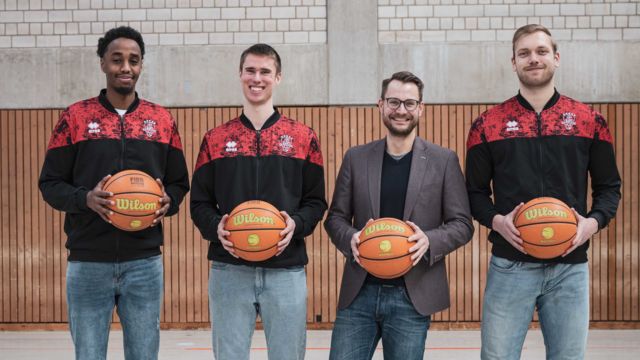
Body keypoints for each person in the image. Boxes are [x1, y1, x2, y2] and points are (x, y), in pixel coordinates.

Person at [465, 24, 621, 360]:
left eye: (541, 51)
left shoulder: (589, 120)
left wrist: (589, 225)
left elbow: (610, 190)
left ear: (556, 58)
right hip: (510, 265)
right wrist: (497, 221)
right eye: (524, 53)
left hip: (570, 267)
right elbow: (474, 193)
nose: (533, 59)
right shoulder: (487, 124)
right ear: (513, 62)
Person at [38, 26, 190, 360]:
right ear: (103, 63)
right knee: (89, 354)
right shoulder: (75, 118)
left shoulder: (161, 120)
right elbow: (49, 184)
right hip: (88, 260)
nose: (126, 67)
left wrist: (169, 202)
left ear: (141, 65)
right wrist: (85, 199)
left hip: (144, 262)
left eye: (133, 60)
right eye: (117, 59)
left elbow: (180, 183)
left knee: (143, 355)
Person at [190, 43, 327, 360]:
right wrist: (216, 227)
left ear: (278, 77)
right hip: (229, 270)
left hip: (286, 271)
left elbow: (316, 202)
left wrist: (297, 224)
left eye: (265, 71)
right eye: (250, 70)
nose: (257, 78)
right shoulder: (216, 138)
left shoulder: (303, 137)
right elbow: (199, 203)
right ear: (240, 75)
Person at [324, 71, 474, 359]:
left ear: (421, 108)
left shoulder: (443, 160)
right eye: (393, 102)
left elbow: (463, 224)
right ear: (380, 105)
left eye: (409, 103)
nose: (401, 110)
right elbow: (335, 218)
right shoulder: (356, 158)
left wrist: (429, 240)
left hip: (412, 293)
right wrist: (352, 237)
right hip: (360, 291)